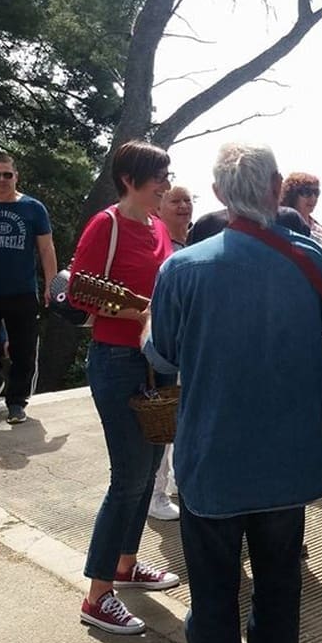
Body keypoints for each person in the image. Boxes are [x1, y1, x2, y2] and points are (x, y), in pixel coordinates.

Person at [144, 142, 322, 643]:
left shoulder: (181, 268)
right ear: (277, 189)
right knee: (278, 599)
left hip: (210, 462)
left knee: (211, 604)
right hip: (287, 461)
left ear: (221, 194)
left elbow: (162, 355)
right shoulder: (309, 257)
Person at [69, 141, 180, 634]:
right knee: (129, 476)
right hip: (116, 360)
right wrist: (140, 310)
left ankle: (125, 564)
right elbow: (79, 291)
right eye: (159, 176)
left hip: (155, 361)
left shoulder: (158, 226)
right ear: (131, 179)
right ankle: (97, 595)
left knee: (152, 463)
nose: (166, 184)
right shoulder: (106, 224)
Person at [0, 153, 57, 424]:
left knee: (23, 351)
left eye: (7, 174)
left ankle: (16, 402)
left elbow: (46, 248)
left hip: (22, 292)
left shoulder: (33, 208)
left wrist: (51, 283)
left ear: (16, 176)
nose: (2, 180)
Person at [146, 185, 193, 522]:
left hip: (192, 343)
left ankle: (176, 481)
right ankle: (156, 493)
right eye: (174, 201)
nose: (182, 206)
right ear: (159, 208)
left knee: (185, 416)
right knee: (164, 418)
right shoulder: (155, 245)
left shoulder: (196, 242)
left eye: (187, 200)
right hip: (166, 343)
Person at [280, 172, 322, 257]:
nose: (313, 198)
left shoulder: (320, 231)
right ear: (293, 194)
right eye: (307, 192)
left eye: (316, 192)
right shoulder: (281, 224)